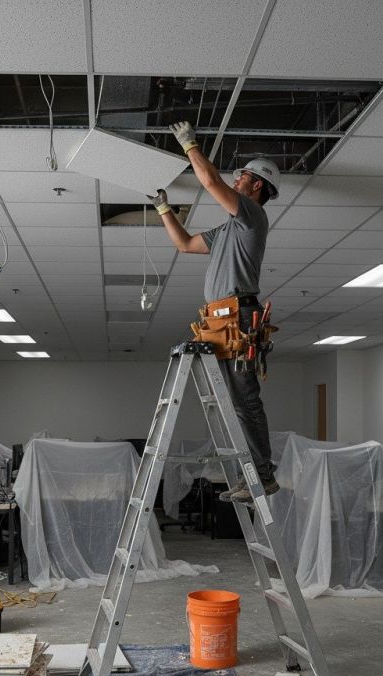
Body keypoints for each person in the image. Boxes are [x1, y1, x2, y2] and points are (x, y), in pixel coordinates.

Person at [150, 121, 280, 502]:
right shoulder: (227, 231)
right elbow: (186, 244)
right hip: (217, 323)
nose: (236, 180)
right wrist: (163, 209)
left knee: (245, 401)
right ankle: (250, 475)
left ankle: (264, 475)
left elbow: (210, 183)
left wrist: (190, 145)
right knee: (232, 406)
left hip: (239, 318)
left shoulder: (252, 217)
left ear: (257, 186)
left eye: (242, 177)